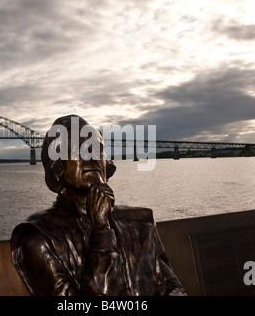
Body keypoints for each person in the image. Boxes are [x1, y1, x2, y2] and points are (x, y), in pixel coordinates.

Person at [10, 115, 186, 296]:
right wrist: (101, 228)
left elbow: (170, 286)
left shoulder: (142, 222)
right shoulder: (36, 238)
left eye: (97, 149)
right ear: (58, 167)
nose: (91, 156)